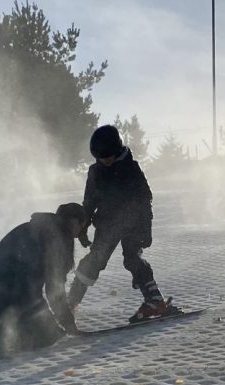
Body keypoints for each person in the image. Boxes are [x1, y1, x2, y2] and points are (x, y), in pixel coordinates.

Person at [68, 125, 181, 323]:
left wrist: (146, 227)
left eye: (108, 156)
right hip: (108, 224)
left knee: (132, 259)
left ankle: (155, 301)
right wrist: (84, 225)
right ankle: (70, 304)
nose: (106, 161)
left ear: (117, 150)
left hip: (133, 222)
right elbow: (90, 202)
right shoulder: (96, 172)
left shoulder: (131, 168)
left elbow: (145, 199)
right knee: (94, 261)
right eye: (101, 158)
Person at [0, 203, 89, 359]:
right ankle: (4, 338)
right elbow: (54, 289)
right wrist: (68, 323)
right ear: (74, 222)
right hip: (15, 289)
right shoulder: (58, 239)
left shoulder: (37, 227)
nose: (80, 231)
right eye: (81, 225)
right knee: (47, 336)